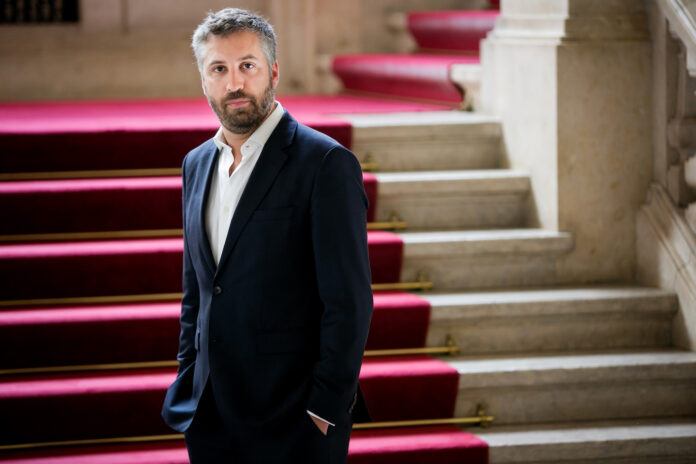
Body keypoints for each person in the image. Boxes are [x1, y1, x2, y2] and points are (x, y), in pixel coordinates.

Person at [160, 7, 373, 463]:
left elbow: (349, 302)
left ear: (273, 70)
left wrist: (325, 410)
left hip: (294, 423)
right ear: (203, 79)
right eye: (219, 68)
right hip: (211, 418)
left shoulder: (325, 164)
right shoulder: (195, 164)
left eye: (247, 66)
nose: (234, 83)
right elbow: (196, 291)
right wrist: (188, 379)